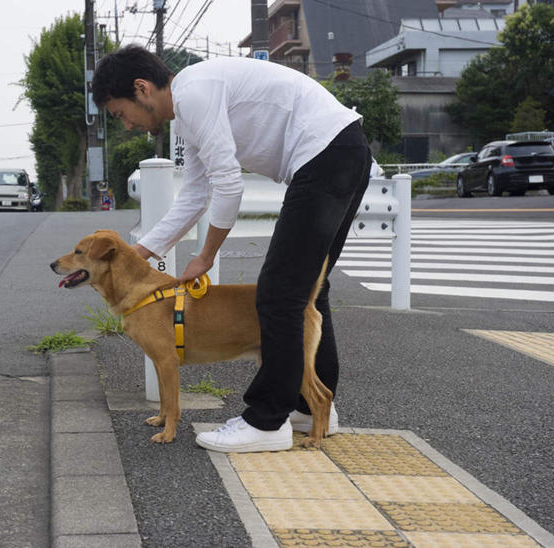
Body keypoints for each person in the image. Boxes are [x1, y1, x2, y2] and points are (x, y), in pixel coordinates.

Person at [92, 45, 371, 453]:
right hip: (342, 151)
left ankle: (266, 422)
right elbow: (195, 195)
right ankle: (306, 409)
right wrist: (139, 255)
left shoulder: (195, 94)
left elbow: (229, 185)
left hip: (325, 154)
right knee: (307, 288)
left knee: (277, 294)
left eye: (121, 114)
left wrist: (205, 256)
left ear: (142, 88)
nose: (128, 125)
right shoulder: (189, 110)